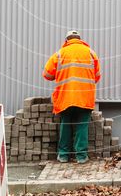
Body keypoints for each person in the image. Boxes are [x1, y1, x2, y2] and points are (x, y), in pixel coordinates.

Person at [43, 31, 101, 163]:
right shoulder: (91, 53)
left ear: (67, 40)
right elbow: (97, 76)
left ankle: (63, 155)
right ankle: (81, 157)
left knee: (65, 125)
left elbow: (47, 74)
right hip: (84, 97)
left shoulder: (60, 54)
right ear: (80, 40)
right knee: (82, 126)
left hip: (65, 97)